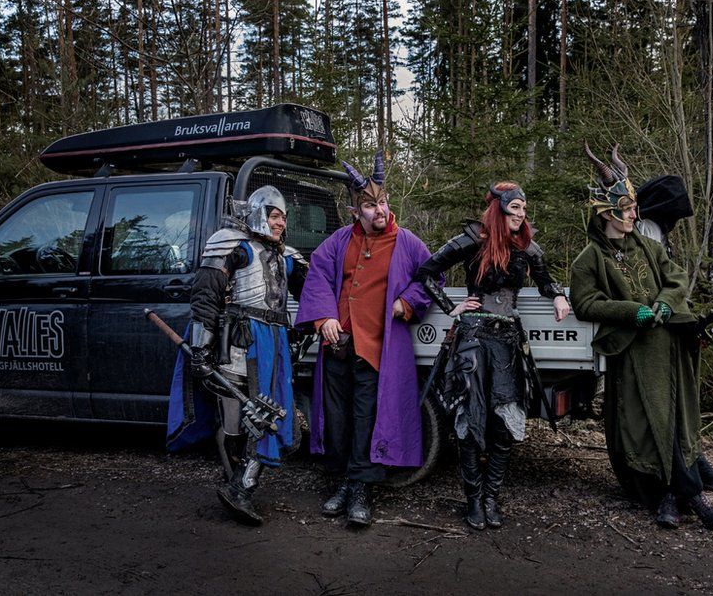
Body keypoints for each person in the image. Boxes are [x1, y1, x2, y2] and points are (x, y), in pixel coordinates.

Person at [569, 143, 713, 530]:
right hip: (634, 354)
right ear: (606, 213)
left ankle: (687, 492)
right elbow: (585, 302)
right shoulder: (589, 259)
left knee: (677, 421)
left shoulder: (649, 246)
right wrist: (629, 311)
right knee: (647, 424)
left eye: (633, 208)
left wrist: (666, 305)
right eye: (625, 210)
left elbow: (676, 280)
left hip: (668, 348)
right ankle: (667, 496)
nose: (633, 215)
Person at [416, 182, 570, 531]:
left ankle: (490, 498)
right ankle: (472, 499)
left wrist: (558, 296)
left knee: (504, 425)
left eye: (524, 210)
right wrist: (451, 307)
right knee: (470, 424)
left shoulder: (527, 246)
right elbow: (425, 273)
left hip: (507, 342)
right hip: (472, 340)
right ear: (499, 209)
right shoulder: (473, 239)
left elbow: (546, 280)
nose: (521, 215)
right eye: (515, 208)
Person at [294, 151, 434, 527]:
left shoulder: (408, 242)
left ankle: (361, 490)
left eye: (383, 203)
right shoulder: (339, 241)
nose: (379, 211)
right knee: (336, 419)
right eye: (370, 206)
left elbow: (430, 278)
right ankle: (341, 482)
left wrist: (406, 303)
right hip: (338, 345)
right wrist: (323, 316)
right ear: (356, 211)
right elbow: (318, 276)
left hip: (378, 349)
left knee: (367, 419)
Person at [167, 185, 308, 526]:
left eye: (284, 218)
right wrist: (200, 348)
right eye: (275, 216)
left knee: (267, 417)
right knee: (235, 420)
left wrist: (311, 330)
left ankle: (240, 488)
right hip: (237, 343)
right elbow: (205, 297)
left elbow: (316, 293)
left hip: (273, 345)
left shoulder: (288, 256)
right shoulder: (230, 243)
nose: (280, 224)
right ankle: (235, 482)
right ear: (260, 213)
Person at [635, 174, 713, 495]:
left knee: (684, 401)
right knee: (668, 406)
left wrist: (690, 319)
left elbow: (672, 284)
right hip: (654, 335)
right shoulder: (646, 231)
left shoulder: (657, 232)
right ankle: (683, 473)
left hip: (671, 329)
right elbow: (651, 288)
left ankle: (695, 463)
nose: (678, 223)